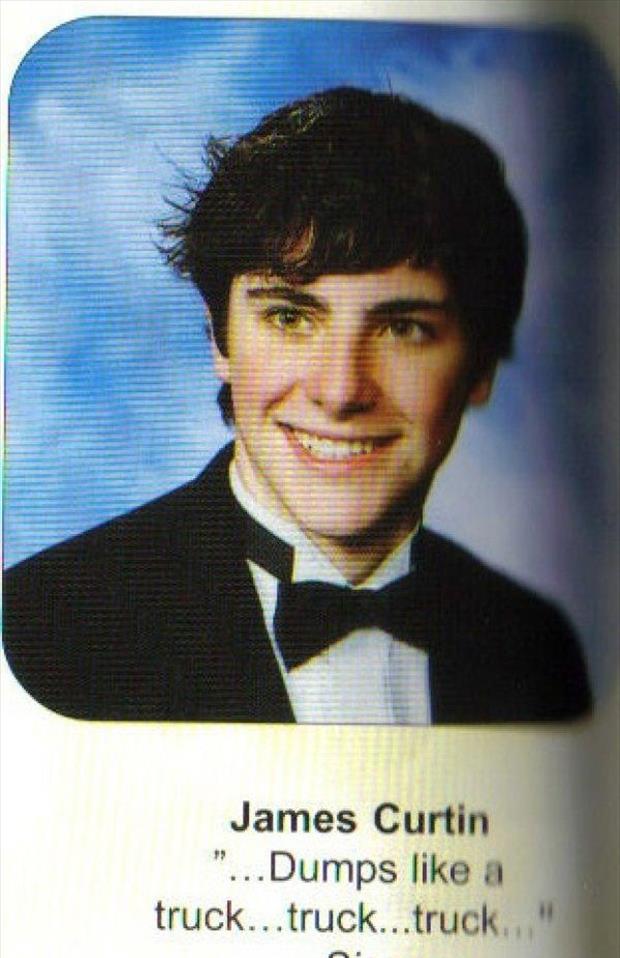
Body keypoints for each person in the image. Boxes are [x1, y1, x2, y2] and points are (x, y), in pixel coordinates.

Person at [3, 87, 591, 723]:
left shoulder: (537, 647)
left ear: (481, 367)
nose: (340, 392)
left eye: (403, 328)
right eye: (290, 317)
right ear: (220, 340)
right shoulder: (40, 628)